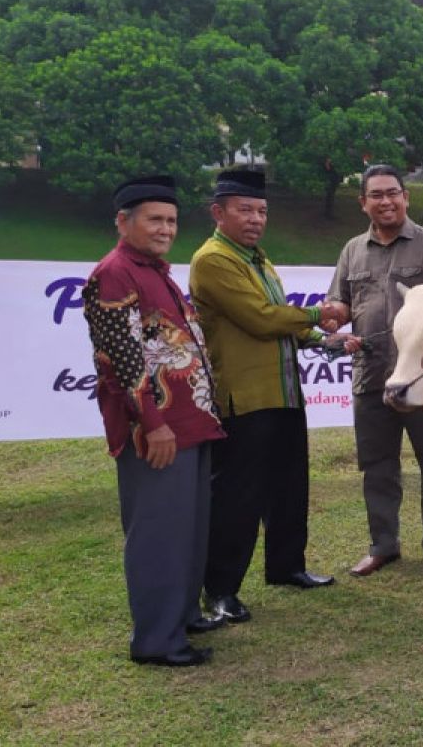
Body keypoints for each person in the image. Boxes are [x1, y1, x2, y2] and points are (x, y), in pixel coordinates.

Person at [83, 175, 225, 666]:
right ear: (123, 222)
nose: (166, 229)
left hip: (191, 422)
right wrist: (151, 422)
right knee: (159, 531)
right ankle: (156, 640)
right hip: (158, 429)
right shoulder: (116, 272)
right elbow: (121, 360)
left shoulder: (155, 271)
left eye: (171, 220)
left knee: (188, 527)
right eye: (154, 219)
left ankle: (181, 614)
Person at [189, 169, 338, 626]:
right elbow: (260, 318)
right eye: (245, 210)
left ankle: (286, 566)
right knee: (239, 496)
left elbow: (281, 326)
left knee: (289, 486)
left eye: (262, 211)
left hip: (284, 391)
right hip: (246, 398)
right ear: (219, 212)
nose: (256, 219)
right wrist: (319, 313)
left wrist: (325, 340)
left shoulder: (257, 259)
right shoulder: (213, 260)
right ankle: (220, 590)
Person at [322, 165, 423, 579]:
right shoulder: (352, 251)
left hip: (420, 378)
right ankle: (383, 545)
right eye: (376, 195)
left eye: (393, 193)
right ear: (363, 202)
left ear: (406, 197)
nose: (386, 201)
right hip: (371, 375)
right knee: (378, 466)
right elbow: (339, 303)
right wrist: (332, 321)